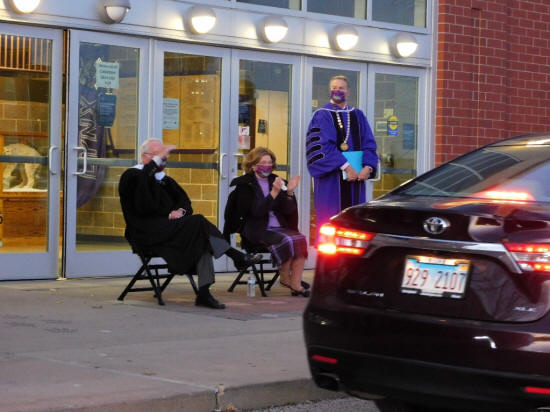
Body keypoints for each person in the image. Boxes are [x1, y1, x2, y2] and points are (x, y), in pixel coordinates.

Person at [118, 138, 261, 309]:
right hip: (146, 232)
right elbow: (143, 206)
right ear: (144, 157)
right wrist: (166, 213)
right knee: (199, 224)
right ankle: (236, 257)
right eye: (158, 155)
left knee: (201, 237)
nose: (163, 159)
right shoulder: (132, 176)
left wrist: (180, 212)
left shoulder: (165, 181)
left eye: (164, 155)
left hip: (170, 231)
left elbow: (185, 202)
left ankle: (204, 293)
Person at [223, 147, 310, 297]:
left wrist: (289, 192)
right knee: (288, 240)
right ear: (253, 165)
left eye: (270, 162)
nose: (267, 165)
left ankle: (295, 283)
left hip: (279, 228)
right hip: (256, 230)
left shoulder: (277, 181)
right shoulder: (245, 185)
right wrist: (274, 193)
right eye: (263, 162)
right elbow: (257, 213)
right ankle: (285, 278)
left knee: (299, 238)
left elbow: (289, 211)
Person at [306, 75, 378, 240]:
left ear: (348, 92)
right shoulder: (322, 115)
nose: (337, 91)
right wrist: (346, 166)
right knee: (330, 222)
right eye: (334, 88)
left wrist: (368, 167)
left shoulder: (358, 115)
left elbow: (369, 144)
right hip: (331, 181)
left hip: (356, 181)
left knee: (355, 222)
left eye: (341, 88)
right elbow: (321, 147)